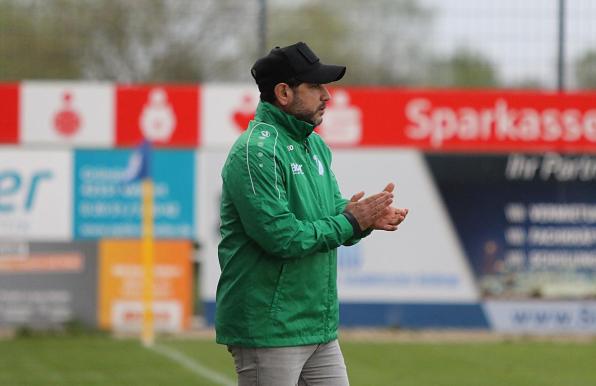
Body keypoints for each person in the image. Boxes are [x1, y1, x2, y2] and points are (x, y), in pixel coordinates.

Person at [216, 42, 408, 386]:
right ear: (284, 92)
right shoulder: (255, 151)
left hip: (317, 326)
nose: (327, 95)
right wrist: (351, 220)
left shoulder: (313, 144)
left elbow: (329, 210)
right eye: (315, 86)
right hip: (270, 328)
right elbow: (282, 237)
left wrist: (362, 219)